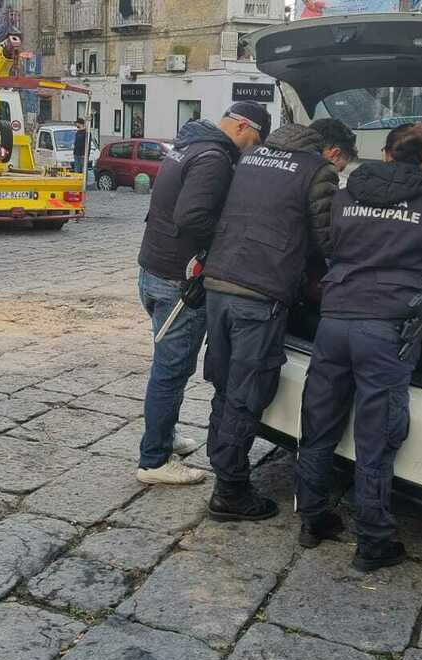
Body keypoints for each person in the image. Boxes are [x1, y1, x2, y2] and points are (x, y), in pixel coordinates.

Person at [294, 124, 422, 571]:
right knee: (376, 437)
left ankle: (313, 520)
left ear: (386, 155)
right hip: (386, 331)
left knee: (318, 423)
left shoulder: (347, 194)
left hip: (335, 319)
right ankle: (374, 542)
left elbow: (328, 245)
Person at [199, 118, 357, 521]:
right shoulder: (317, 170)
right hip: (261, 291)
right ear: (332, 153)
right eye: (340, 170)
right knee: (246, 392)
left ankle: (223, 468)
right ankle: (230, 491)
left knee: (224, 384)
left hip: (219, 282)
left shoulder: (252, 156)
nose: (336, 176)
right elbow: (327, 240)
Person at [135, 101, 271, 485]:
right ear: (243, 127)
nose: (252, 149)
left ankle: (164, 434)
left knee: (167, 365)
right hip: (181, 283)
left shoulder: (189, 145)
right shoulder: (213, 157)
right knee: (171, 371)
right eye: (255, 139)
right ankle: (154, 460)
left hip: (153, 269)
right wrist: (228, 241)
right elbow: (192, 216)